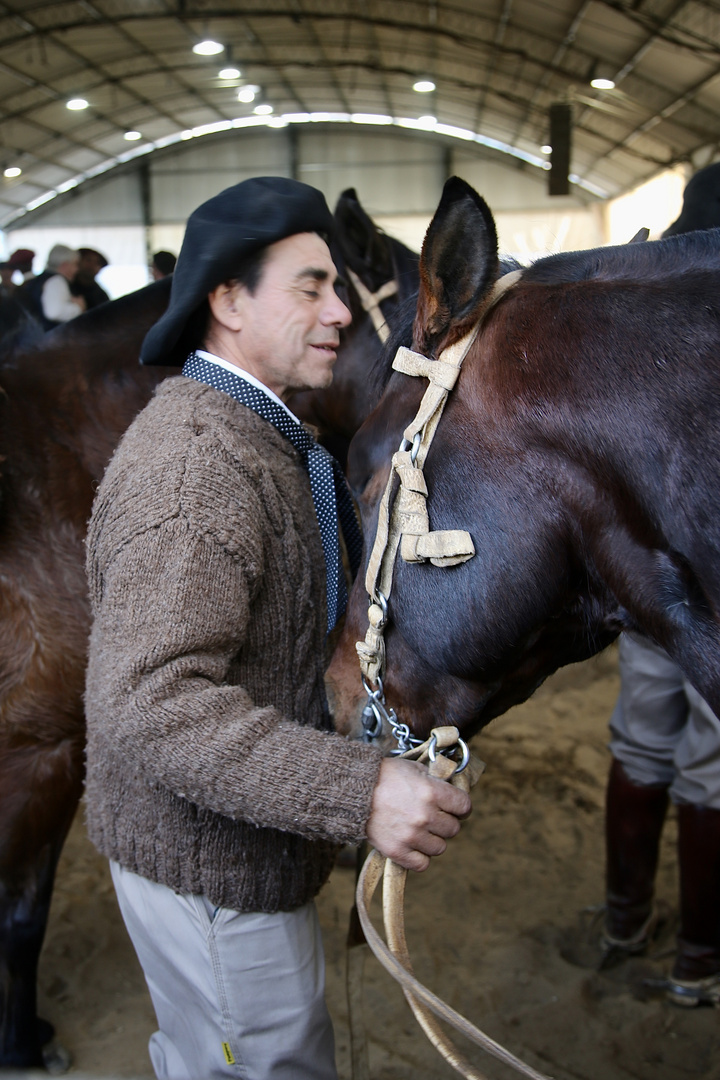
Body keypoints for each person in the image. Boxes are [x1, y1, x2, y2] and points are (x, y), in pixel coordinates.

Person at [84, 175, 471, 1080]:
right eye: (311, 286)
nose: (342, 310)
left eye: (337, 286)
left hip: (241, 845)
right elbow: (150, 706)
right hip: (211, 874)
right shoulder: (194, 472)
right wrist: (358, 791)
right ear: (226, 299)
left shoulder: (266, 435)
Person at [570, 162, 720, 1007]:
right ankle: (700, 959)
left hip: (648, 578)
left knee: (640, 741)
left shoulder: (645, 327)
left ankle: (623, 922)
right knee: (712, 768)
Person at [17, 244, 85, 329]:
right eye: (75, 264)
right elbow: (54, 313)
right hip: (49, 338)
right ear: (65, 265)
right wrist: (78, 307)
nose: (77, 269)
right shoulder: (56, 281)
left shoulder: (39, 280)